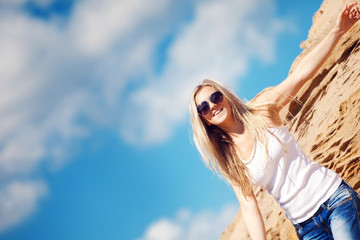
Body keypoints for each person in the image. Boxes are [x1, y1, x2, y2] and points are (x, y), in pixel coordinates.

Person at [189, 3, 360, 240]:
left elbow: (301, 74)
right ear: (204, 120)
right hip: (306, 228)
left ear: (225, 98)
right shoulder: (230, 162)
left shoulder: (261, 109)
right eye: (203, 107)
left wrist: (338, 30)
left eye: (215, 97)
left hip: (332, 198)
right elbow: (249, 208)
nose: (212, 106)